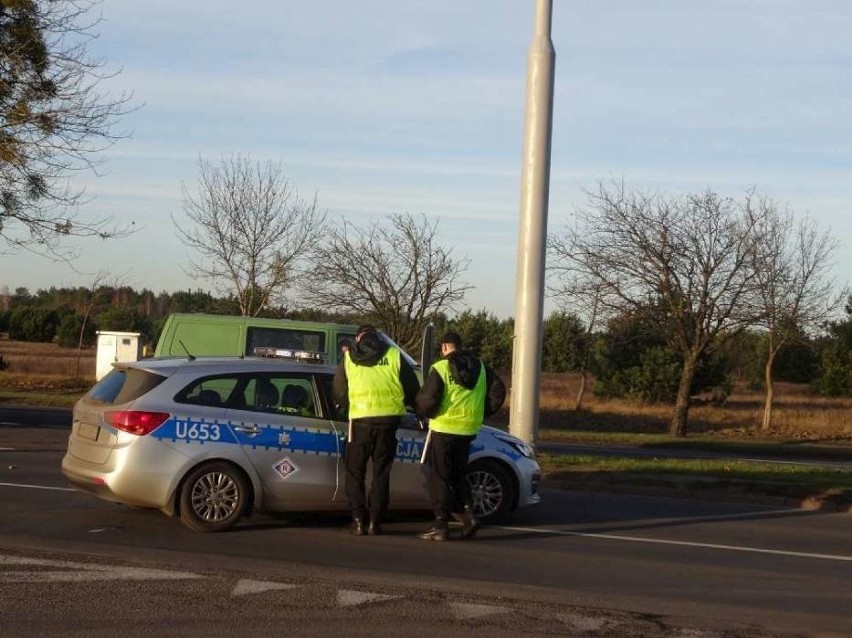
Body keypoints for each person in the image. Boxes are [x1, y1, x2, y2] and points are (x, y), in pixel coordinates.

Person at [415, 331, 506, 541]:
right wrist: (481, 412)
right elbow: (498, 392)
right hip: (468, 430)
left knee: (439, 477)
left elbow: (427, 399)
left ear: (446, 346)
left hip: (444, 428)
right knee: (458, 475)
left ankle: (440, 526)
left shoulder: (440, 367)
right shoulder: (481, 367)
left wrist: (427, 413)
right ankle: (471, 516)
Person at [333, 324, 419, 536]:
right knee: (381, 474)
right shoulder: (393, 355)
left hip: (360, 422)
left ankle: (358, 520)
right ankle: (375, 522)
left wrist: (348, 407)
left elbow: (339, 391)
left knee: (355, 473)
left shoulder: (350, 357)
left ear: (358, 338)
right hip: (389, 422)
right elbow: (412, 388)